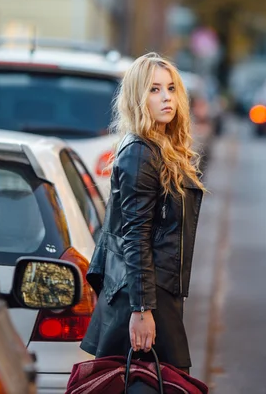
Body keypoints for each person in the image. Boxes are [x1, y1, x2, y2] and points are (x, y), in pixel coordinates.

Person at [81, 53, 204, 374]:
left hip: (155, 292)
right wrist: (142, 308)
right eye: (154, 90)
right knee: (164, 381)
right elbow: (135, 237)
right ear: (137, 97)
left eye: (171, 88)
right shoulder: (139, 152)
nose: (166, 97)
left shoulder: (158, 146)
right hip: (145, 296)